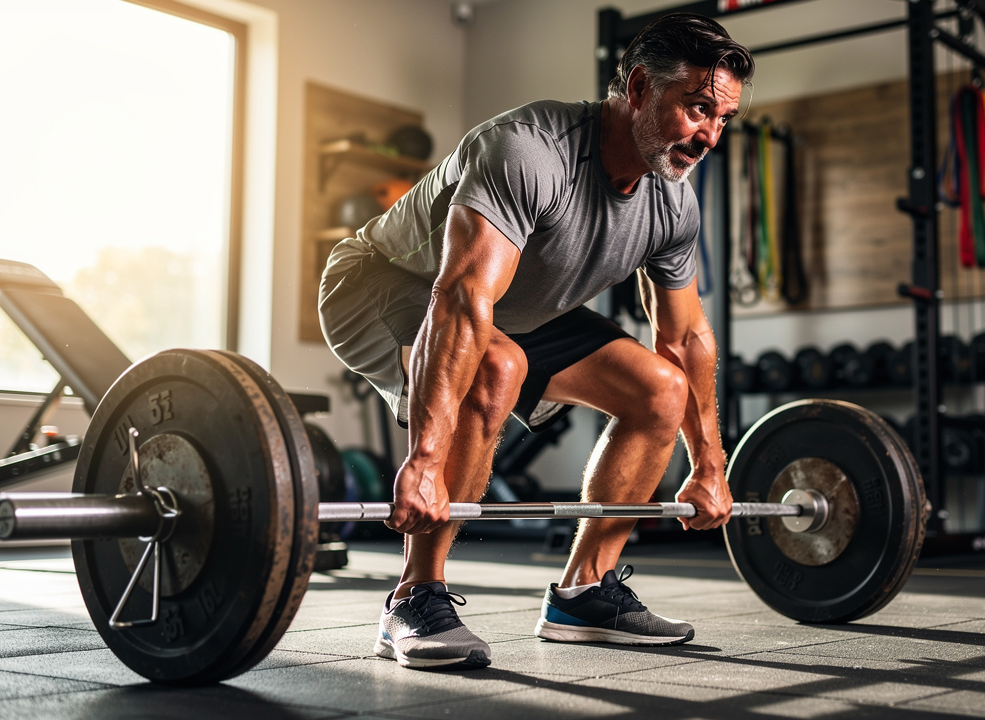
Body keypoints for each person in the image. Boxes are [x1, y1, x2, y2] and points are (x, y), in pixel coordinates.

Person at [318, 12, 753, 670]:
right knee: (496, 365)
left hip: (516, 308)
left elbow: (687, 336)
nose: (710, 135)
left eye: (723, 118)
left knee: (661, 392)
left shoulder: (673, 204)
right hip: (380, 283)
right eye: (698, 109)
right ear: (639, 88)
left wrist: (710, 465)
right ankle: (413, 597)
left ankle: (584, 593)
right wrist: (426, 462)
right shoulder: (530, 150)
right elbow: (462, 296)